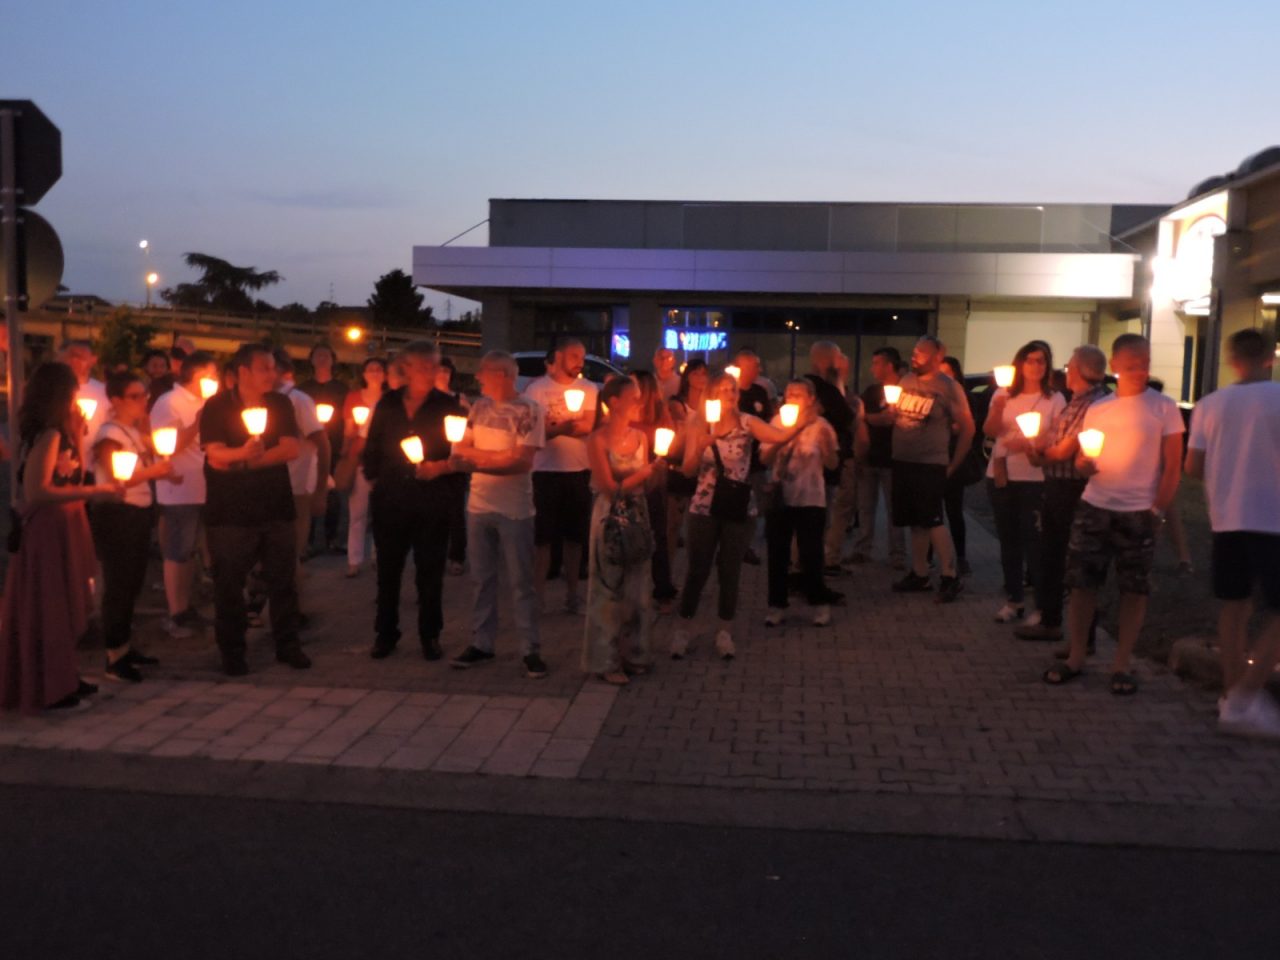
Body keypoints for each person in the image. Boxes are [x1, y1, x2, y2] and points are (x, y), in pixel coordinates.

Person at [1043, 334, 1183, 696]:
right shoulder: (1100, 407)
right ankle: (1077, 656)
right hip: (1095, 505)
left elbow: (1172, 467)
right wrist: (1084, 466)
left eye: (1146, 362)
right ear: (1116, 366)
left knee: (1133, 589)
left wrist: (1158, 510)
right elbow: (1081, 459)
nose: (1141, 370)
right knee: (1081, 584)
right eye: (1133, 363)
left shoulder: (1163, 407)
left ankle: (1122, 663)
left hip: (1138, 511)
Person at [0, 363, 122, 712]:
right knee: (51, 606)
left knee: (65, 603)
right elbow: (38, 490)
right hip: (49, 528)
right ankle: (50, 685)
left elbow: (68, 473)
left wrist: (79, 435)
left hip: (64, 523)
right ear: (60, 395)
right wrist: (96, 490)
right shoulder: (48, 434)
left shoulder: (57, 432)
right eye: (72, 394)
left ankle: (63, 675)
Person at [671, 372, 807, 660]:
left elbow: (778, 436)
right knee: (697, 570)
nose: (729, 394)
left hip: (738, 508)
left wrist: (798, 425)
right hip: (704, 507)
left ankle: (724, 632)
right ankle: (683, 630)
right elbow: (687, 470)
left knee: (730, 571)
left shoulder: (747, 422)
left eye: (732, 389)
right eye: (722, 390)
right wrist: (705, 440)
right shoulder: (698, 423)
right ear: (712, 395)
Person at [1185, 329, 1280, 737]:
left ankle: (1231, 699)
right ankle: (1245, 695)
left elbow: (1192, 467)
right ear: (1270, 358)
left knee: (1234, 607)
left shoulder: (1209, 404)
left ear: (1232, 359)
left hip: (1226, 518)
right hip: (1273, 519)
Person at [200, 343, 310, 676]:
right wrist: (245, 453)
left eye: (274, 367)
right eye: (265, 368)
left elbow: (291, 448)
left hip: (275, 506)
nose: (273, 374)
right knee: (229, 584)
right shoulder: (217, 406)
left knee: (283, 580)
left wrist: (247, 459)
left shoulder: (280, 403)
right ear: (243, 371)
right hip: (230, 512)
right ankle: (233, 652)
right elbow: (215, 455)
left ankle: (288, 645)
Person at [362, 341, 467, 660]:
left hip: (432, 500)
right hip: (392, 498)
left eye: (433, 366)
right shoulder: (388, 404)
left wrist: (441, 470)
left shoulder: (448, 406)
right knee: (388, 571)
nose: (429, 372)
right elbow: (374, 446)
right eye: (422, 366)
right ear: (406, 369)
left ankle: (430, 634)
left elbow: (460, 457)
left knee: (430, 572)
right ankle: (386, 633)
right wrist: (376, 479)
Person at [445, 351, 547, 678]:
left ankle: (530, 649)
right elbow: (460, 452)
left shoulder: (529, 410)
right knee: (482, 579)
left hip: (515, 510)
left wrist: (479, 458)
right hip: (478, 506)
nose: (478, 377)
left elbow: (522, 462)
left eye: (483, 372)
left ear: (502, 374)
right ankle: (482, 642)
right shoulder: (479, 408)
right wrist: (495, 456)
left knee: (521, 582)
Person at [1017, 345, 1109, 644]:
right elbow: (1056, 437)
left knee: (1064, 558)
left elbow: (1066, 448)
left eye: (1070, 365)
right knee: (1054, 555)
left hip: (1072, 490)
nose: (1066, 370)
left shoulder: (1092, 404)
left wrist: (1040, 456)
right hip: (1059, 486)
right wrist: (1037, 446)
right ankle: (1055, 620)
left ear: (1081, 370)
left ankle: (1062, 626)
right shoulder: (1077, 401)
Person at [90, 371, 176, 682]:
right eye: (136, 396)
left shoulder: (131, 432)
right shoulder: (109, 435)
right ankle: (114, 656)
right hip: (117, 515)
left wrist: (162, 470)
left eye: (145, 396)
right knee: (119, 585)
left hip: (136, 512)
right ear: (115, 400)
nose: (144, 402)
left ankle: (124, 646)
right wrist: (156, 471)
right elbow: (117, 477)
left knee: (132, 583)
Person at [583, 376, 665, 684]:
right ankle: (607, 660)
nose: (638, 402)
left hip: (638, 512)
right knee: (609, 587)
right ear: (614, 401)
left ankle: (635, 653)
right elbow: (607, 487)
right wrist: (642, 473)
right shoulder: (598, 440)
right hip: (609, 516)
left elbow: (646, 484)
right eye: (633, 397)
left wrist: (656, 471)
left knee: (638, 587)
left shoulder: (641, 438)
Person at [981, 341, 1065, 624]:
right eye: (1030, 360)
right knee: (1009, 541)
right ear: (1020, 363)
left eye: (1041, 360)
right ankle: (1014, 600)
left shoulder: (1054, 399)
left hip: (1035, 478)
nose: (1036, 365)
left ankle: (1041, 607)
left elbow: (1054, 437)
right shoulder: (1003, 394)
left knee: (1035, 542)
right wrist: (998, 408)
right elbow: (990, 431)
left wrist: (1024, 442)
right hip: (1002, 475)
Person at [889, 335, 975, 603]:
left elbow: (968, 428)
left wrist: (953, 463)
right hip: (904, 461)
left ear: (938, 357)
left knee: (932, 518)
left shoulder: (948, 387)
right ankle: (920, 573)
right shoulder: (905, 381)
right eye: (914, 351)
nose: (915, 356)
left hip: (931, 463)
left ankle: (950, 575)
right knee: (915, 520)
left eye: (922, 353)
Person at [523, 338, 599, 615]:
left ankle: (572, 595)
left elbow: (587, 426)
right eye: (574, 355)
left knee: (574, 537)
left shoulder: (589, 389)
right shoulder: (537, 389)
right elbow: (534, 429)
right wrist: (565, 426)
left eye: (582, 355)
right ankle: (538, 597)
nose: (580, 361)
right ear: (559, 356)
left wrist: (555, 427)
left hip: (578, 470)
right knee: (542, 538)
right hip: (544, 472)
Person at [761, 379, 843, 627]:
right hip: (781, 498)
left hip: (810, 498)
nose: (792, 398)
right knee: (777, 553)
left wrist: (828, 448)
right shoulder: (776, 423)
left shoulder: (821, 426)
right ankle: (777, 605)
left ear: (810, 399)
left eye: (798, 394)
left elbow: (832, 465)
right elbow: (765, 459)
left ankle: (819, 602)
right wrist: (784, 437)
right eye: (788, 394)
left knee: (811, 554)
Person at [151, 350, 219, 639]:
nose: (215, 380)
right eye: (212, 374)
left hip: (203, 486)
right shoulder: (169, 403)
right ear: (197, 375)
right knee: (178, 550)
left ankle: (186, 606)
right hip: (180, 488)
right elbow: (167, 445)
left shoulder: (204, 403)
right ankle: (176, 612)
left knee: (190, 549)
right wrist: (198, 423)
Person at [274, 349, 331, 599]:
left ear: (284, 372)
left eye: (269, 368)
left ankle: (293, 608)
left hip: (297, 486)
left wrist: (320, 491)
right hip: (268, 485)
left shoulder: (298, 400)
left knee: (290, 552)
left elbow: (323, 444)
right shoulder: (263, 399)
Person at [806, 341, 858, 573]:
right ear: (827, 361)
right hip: (828, 462)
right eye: (838, 359)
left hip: (808, 462)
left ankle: (805, 564)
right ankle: (821, 563)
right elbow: (850, 420)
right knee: (826, 514)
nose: (841, 363)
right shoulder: (827, 391)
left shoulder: (805, 386)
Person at [854, 347, 907, 568]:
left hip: (893, 459)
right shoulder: (872, 391)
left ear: (888, 365)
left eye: (876, 363)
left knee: (895, 508)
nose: (872, 367)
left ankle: (897, 554)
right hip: (871, 456)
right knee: (866, 506)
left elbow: (900, 421)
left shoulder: (906, 390)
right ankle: (863, 549)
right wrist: (877, 418)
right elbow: (862, 417)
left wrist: (879, 419)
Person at [631, 369, 678, 612]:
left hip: (653, 476)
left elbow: (667, 438)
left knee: (657, 533)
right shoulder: (622, 410)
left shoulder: (659, 411)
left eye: (633, 383)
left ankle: (663, 590)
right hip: (628, 477)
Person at [297, 343, 347, 554]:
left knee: (331, 492)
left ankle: (331, 537)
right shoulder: (303, 389)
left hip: (334, 444)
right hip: (308, 447)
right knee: (307, 489)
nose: (323, 359)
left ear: (333, 360)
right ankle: (306, 540)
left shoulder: (342, 390)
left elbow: (348, 418)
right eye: (318, 355)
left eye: (326, 355)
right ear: (311, 360)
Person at [341, 357, 387, 577]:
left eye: (379, 369)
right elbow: (348, 431)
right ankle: (354, 560)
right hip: (359, 458)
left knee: (381, 514)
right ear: (364, 374)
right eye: (370, 369)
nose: (375, 373)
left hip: (383, 462)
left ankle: (379, 557)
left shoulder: (389, 399)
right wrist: (354, 433)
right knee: (357, 513)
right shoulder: (353, 398)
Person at [665, 358, 709, 576]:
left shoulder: (712, 406)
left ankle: (695, 574)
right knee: (673, 525)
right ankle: (668, 572)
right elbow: (683, 428)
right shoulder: (678, 404)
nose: (701, 378)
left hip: (704, 468)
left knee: (698, 528)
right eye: (696, 373)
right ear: (687, 377)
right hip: (680, 465)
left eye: (704, 373)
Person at [938, 357, 980, 577]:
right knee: (932, 512)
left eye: (946, 373)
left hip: (955, 457)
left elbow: (967, 427)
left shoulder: (964, 398)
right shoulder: (933, 396)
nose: (942, 378)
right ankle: (929, 558)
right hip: (934, 458)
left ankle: (961, 556)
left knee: (954, 510)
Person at [436, 355, 470, 576]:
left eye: (447, 371)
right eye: (439, 370)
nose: (443, 375)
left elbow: (472, 421)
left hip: (455, 458)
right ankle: (435, 553)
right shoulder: (427, 400)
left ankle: (457, 556)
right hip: (433, 457)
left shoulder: (458, 398)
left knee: (456, 509)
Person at [57, 340, 109, 472]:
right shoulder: (55, 390)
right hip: (63, 461)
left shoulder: (103, 391)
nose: (74, 361)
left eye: (80, 357)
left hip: (96, 464)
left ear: (93, 360)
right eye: (71, 356)